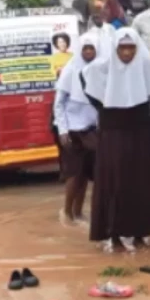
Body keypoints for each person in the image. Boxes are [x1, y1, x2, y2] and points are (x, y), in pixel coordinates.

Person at [80, 28, 150, 253]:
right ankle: (113, 235)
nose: (126, 53)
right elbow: (93, 93)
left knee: (140, 183)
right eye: (122, 48)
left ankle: (140, 234)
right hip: (112, 135)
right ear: (114, 49)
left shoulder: (146, 66)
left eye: (131, 48)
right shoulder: (98, 70)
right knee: (113, 183)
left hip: (139, 135)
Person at [54, 36, 100, 225]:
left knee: (87, 176)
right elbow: (59, 103)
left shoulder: (100, 70)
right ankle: (67, 213)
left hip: (92, 130)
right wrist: (63, 130)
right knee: (74, 174)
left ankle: (79, 213)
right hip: (72, 130)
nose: (89, 52)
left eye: (92, 49)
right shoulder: (70, 70)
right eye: (86, 48)